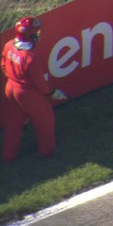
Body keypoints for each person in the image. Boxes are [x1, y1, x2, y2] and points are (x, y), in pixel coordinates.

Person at [2, 17, 67, 163]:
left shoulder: (9, 45)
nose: (37, 35)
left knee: (13, 123)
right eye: (35, 33)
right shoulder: (31, 56)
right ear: (28, 35)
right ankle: (47, 151)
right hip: (27, 93)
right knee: (44, 120)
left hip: (10, 87)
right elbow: (39, 82)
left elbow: (4, 66)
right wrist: (51, 92)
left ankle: (9, 155)